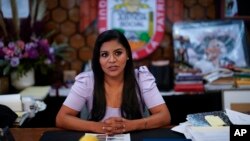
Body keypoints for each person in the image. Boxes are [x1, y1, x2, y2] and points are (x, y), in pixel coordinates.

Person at [56, 29, 171, 135]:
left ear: (127, 55)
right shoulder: (86, 81)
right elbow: (62, 118)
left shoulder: (142, 78)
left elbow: (164, 116)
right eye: (104, 55)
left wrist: (131, 125)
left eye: (118, 53)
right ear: (98, 59)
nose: (112, 60)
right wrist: (101, 127)